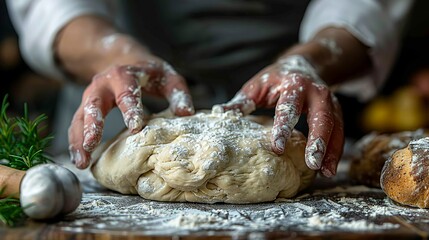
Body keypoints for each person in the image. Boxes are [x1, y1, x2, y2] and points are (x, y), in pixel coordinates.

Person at [6, 0, 413, 178]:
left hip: (285, 117)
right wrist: (111, 54)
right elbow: (51, 6)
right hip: (126, 114)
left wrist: (308, 60)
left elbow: (366, 4)